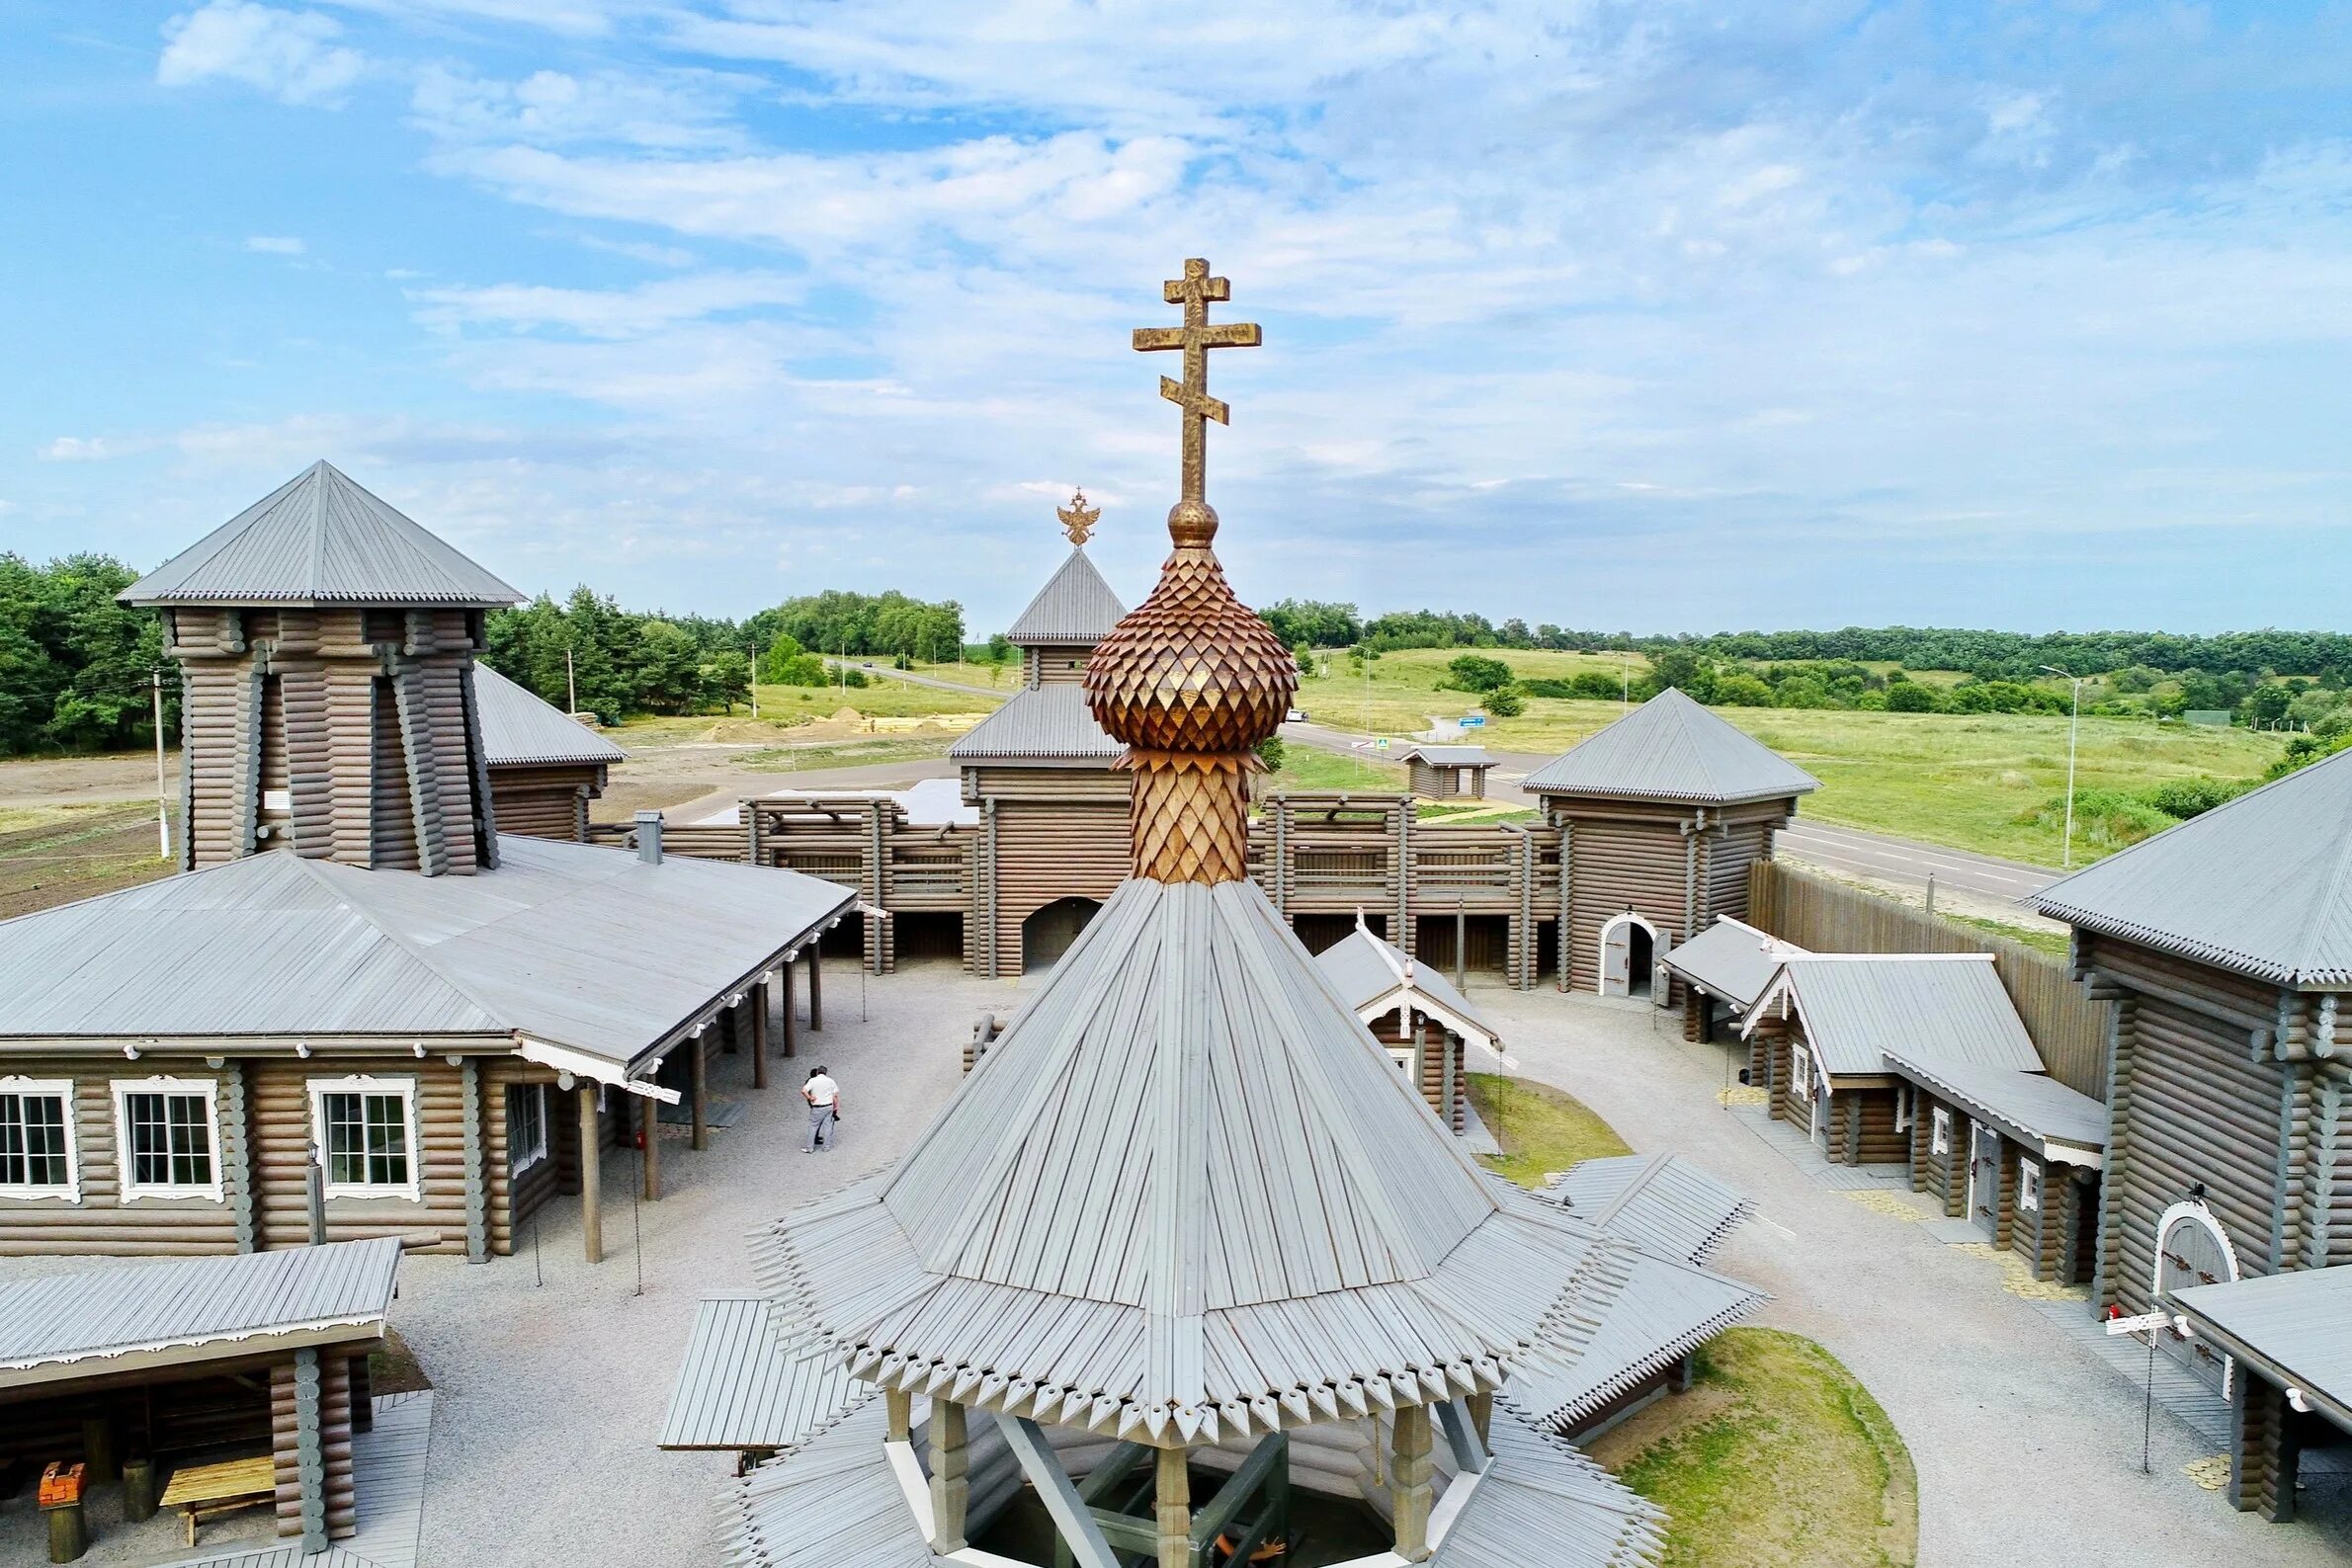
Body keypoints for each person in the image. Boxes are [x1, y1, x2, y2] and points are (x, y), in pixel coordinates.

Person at [802, 1065, 840, 1153]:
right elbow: (835, 1095)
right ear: (826, 1072)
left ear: (817, 1072)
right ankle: (826, 1147)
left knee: (813, 1126)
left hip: (818, 1106)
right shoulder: (830, 1081)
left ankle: (809, 1148)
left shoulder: (812, 1080)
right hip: (829, 1106)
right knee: (827, 1127)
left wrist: (810, 1097)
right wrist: (836, 1106)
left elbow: (804, 1091)